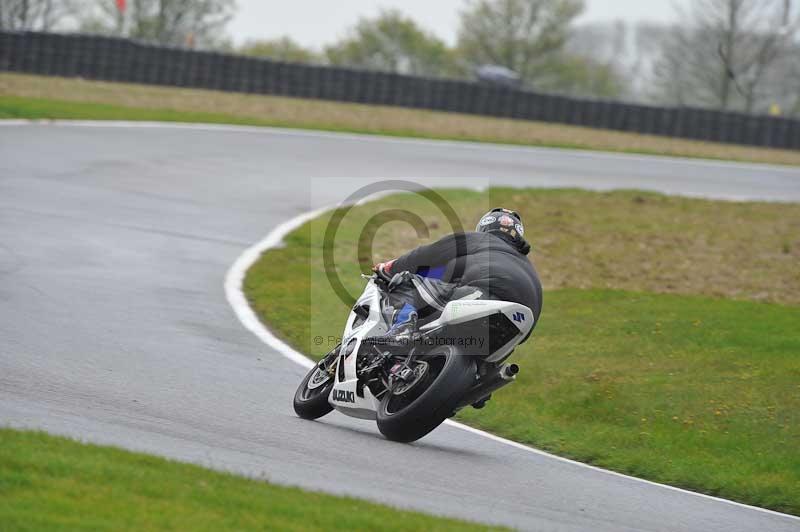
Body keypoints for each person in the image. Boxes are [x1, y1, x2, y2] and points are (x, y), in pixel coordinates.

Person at [373, 208, 542, 341]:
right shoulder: (528, 266)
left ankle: (401, 331)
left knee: (406, 281)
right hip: (518, 328)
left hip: (487, 296)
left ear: (483, 229)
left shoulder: (479, 239)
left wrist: (389, 268)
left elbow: (428, 254)